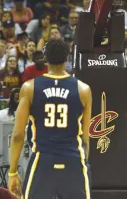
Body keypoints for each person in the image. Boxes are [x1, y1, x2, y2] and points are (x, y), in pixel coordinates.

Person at [8, 39, 92, 199]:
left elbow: (18, 135)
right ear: (68, 57)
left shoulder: (29, 87)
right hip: (73, 160)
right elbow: (86, 139)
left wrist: (12, 172)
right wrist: (84, 163)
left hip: (42, 160)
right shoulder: (83, 89)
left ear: (45, 58)